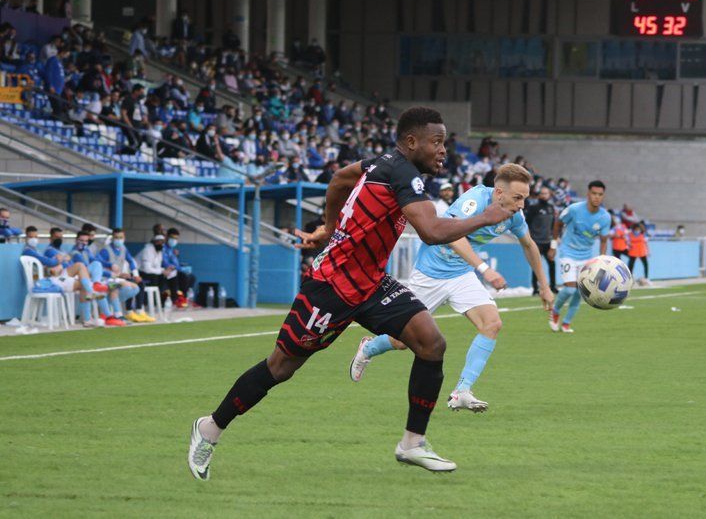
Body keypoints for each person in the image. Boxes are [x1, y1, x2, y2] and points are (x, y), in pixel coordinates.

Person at [187, 106, 513, 479]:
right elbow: (432, 231)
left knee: (431, 343)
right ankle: (209, 428)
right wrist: (488, 217)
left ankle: (412, 443)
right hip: (332, 286)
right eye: (436, 142)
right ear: (411, 142)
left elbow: (342, 178)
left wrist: (330, 226)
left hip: (371, 282)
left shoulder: (383, 164)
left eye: (445, 142)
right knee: (281, 367)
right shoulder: (401, 173)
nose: (443, 150)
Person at [350, 163, 554, 412]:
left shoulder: (514, 216)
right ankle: (369, 347)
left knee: (492, 323)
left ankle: (462, 391)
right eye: (517, 198)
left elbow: (529, 245)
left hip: (461, 275)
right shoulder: (474, 200)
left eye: (525, 198)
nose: (522, 204)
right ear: (499, 193)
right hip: (430, 275)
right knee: (403, 341)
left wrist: (544, 286)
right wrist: (484, 269)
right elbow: (453, 235)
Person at [548, 180, 611, 333]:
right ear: (588, 194)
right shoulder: (574, 210)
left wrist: (602, 261)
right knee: (570, 289)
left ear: (603, 196)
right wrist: (553, 246)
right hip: (568, 252)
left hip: (586, 257)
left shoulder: (605, 217)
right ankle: (555, 311)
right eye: (594, 194)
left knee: (581, 292)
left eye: (600, 195)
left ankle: (566, 323)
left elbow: (603, 241)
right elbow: (558, 223)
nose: (596, 197)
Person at [20, 226, 111, 327]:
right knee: (84, 280)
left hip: (59, 276)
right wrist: (62, 260)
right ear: (26, 238)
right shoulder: (29, 250)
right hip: (48, 281)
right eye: (31, 237)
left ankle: (92, 308)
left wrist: (61, 262)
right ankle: (95, 313)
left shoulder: (37, 249)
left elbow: (63, 263)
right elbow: (49, 262)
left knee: (87, 269)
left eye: (36, 237)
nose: (34, 239)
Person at [523, 186, 557, 296]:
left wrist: (554, 240)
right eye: (542, 193)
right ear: (539, 195)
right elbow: (526, 223)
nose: (544, 195)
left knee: (552, 264)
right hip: (536, 241)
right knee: (536, 265)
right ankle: (535, 288)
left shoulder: (551, 208)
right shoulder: (534, 208)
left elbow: (553, 226)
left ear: (549, 195)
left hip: (548, 241)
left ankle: (553, 286)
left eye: (546, 193)